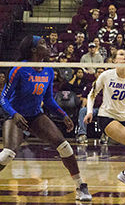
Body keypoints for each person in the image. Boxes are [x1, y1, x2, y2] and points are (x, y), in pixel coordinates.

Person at [0, 35, 92, 201]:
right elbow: (3, 99)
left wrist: (63, 115)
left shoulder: (49, 70)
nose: (47, 45)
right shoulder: (18, 69)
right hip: (15, 115)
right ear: (34, 49)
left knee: (65, 146)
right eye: (42, 43)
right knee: (7, 154)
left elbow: (48, 100)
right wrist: (14, 114)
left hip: (35, 115)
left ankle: (80, 186)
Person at [84, 50, 125, 197]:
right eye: (121, 54)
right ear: (114, 61)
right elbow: (92, 94)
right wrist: (89, 111)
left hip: (124, 118)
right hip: (106, 117)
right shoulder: (106, 75)